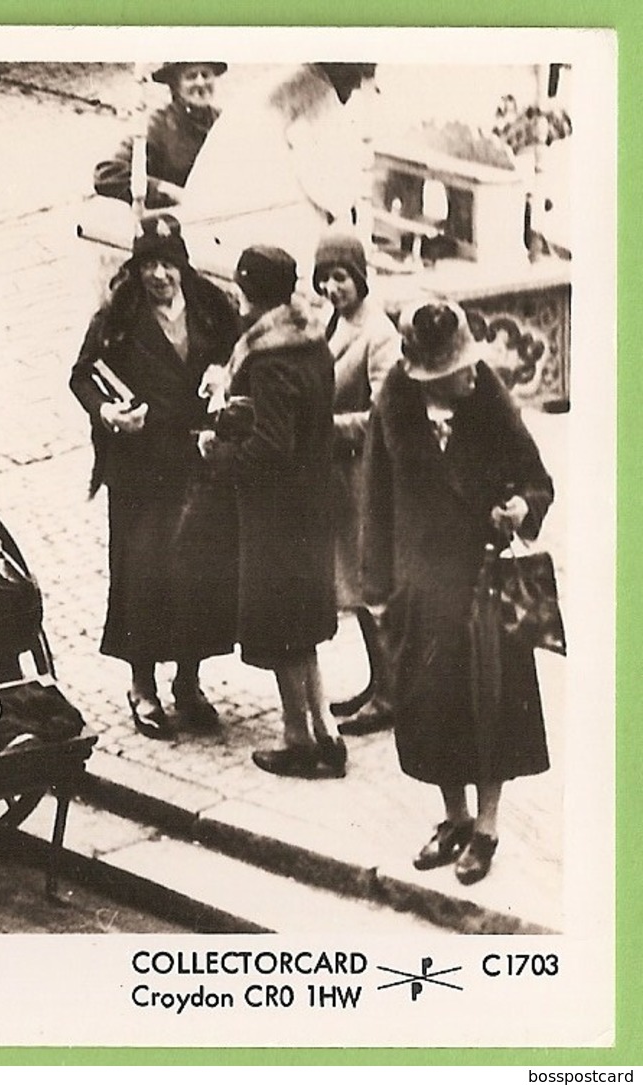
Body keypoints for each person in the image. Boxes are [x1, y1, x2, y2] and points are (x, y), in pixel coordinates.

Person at [365, 301, 553, 885]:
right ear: (427, 375)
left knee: (492, 704)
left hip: (484, 576)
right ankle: (455, 818)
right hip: (420, 583)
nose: (472, 374)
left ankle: (488, 827)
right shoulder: (394, 403)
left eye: (472, 364)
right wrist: (378, 588)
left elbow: (535, 477)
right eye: (459, 369)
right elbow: (376, 496)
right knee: (430, 705)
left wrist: (522, 506)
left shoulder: (486, 395)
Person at [68, 213, 241, 739]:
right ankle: (142, 686)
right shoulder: (118, 318)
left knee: (200, 577)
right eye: (149, 265)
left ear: (183, 266)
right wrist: (108, 414)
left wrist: (226, 372)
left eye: (167, 264)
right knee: (141, 576)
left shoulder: (214, 311)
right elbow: (82, 378)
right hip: (140, 468)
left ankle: (188, 682)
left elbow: (241, 353)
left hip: (198, 463)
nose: (159, 276)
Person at [199, 245, 344, 778]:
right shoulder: (311, 342)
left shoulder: (270, 355)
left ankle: (297, 738)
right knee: (303, 629)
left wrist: (219, 452)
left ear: (249, 292)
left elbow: (272, 445)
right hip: (311, 506)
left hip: (279, 514)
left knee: (284, 628)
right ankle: (326, 732)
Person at [312, 232, 403, 735]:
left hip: (365, 478)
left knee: (371, 586)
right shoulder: (337, 321)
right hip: (341, 478)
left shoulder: (379, 333)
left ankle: (391, 694)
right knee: (355, 584)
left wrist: (327, 428)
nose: (331, 288)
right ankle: (379, 682)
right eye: (325, 278)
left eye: (341, 278)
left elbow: (384, 415)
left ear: (361, 276)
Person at [180, 63, 379, 268]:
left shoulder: (270, 86)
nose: (354, 89)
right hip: (241, 224)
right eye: (355, 81)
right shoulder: (311, 90)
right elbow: (330, 191)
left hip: (210, 229)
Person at [93, 61, 226, 210]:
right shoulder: (158, 125)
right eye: (191, 77)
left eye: (206, 75)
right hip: (174, 222)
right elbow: (107, 174)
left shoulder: (224, 121)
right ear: (175, 85)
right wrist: (166, 191)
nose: (201, 82)